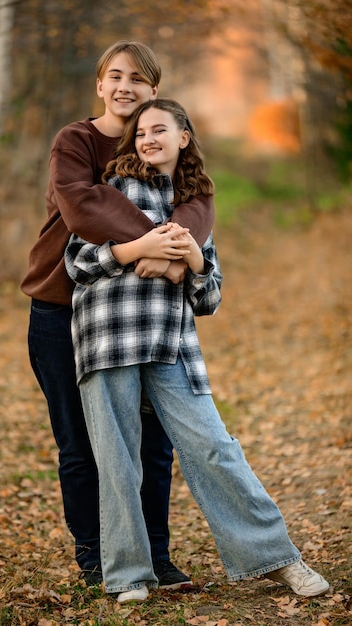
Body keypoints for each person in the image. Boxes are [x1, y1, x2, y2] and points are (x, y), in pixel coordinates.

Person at [64, 98, 330, 604]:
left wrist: (188, 260)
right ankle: (127, 575)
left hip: (173, 343)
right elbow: (77, 262)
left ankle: (278, 558)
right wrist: (139, 250)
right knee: (117, 459)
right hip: (107, 336)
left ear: (184, 137)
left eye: (160, 129)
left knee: (214, 447)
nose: (148, 139)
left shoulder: (194, 209)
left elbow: (210, 297)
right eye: (141, 132)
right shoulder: (110, 190)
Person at [21, 41, 214, 588]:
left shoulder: (160, 140)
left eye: (139, 78)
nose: (126, 86)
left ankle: (155, 554)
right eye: (115, 76)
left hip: (141, 317)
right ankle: (96, 556)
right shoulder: (76, 140)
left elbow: (197, 200)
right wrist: (158, 246)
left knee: (154, 443)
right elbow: (84, 206)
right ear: (100, 85)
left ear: (156, 89)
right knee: (81, 443)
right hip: (62, 309)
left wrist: (181, 256)